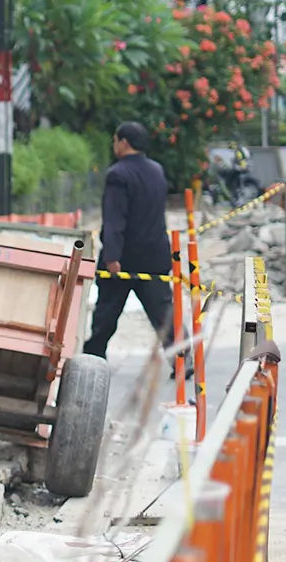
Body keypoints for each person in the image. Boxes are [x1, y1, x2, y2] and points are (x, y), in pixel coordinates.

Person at [83, 122, 192, 379]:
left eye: (115, 140)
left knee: (106, 313)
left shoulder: (117, 175)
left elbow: (114, 219)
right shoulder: (157, 171)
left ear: (124, 142)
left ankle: (92, 361)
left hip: (122, 258)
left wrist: (111, 256)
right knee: (163, 311)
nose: (114, 145)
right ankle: (183, 357)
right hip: (154, 255)